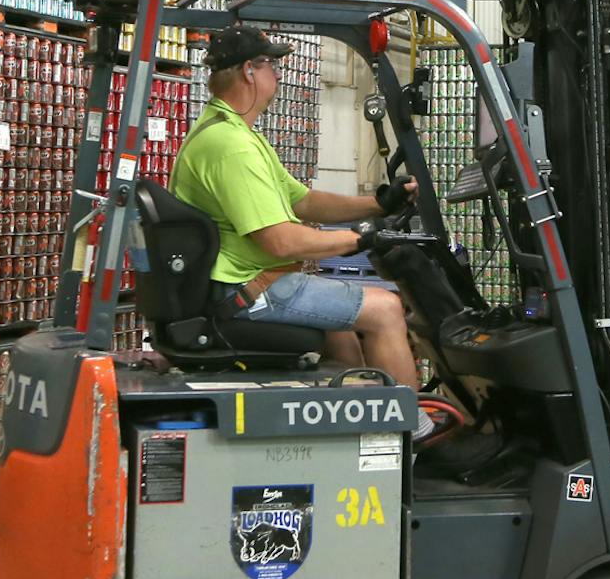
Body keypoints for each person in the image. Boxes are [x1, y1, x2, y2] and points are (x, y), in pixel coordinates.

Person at [169, 24, 440, 439]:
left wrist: (378, 204)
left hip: (249, 284)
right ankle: (418, 435)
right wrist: (362, 239)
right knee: (384, 309)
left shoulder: (234, 134)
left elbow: (303, 202)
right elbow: (281, 240)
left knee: (342, 320)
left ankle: (358, 426)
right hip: (246, 292)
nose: (277, 74)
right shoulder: (231, 146)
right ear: (249, 72)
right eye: (272, 66)